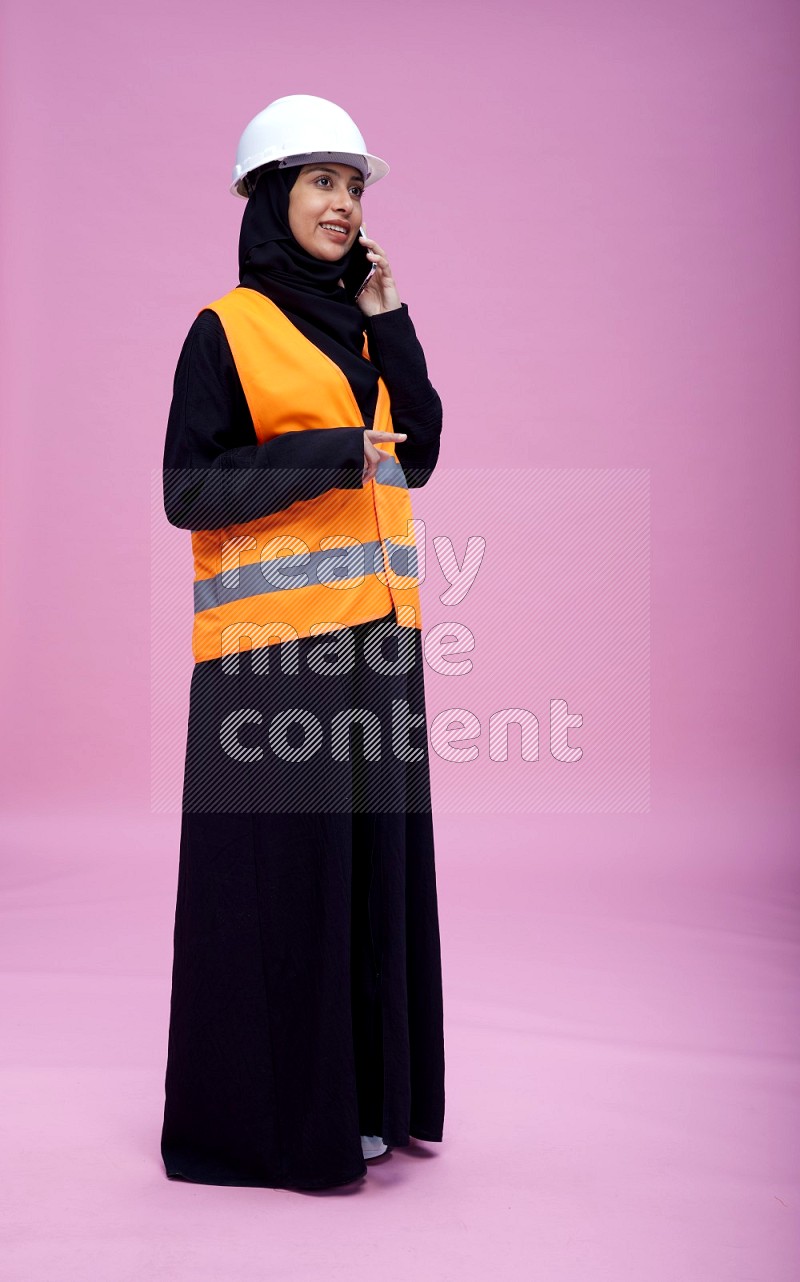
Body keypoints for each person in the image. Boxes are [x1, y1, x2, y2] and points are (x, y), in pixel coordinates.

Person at [159, 94, 445, 1191]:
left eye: (355, 184)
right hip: (271, 655)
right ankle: (279, 1127)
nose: (343, 202)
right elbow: (190, 488)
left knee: (368, 880)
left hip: (377, 642)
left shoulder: (361, 325)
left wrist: (395, 317)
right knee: (287, 890)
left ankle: (369, 1098)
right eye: (322, 180)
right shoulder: (225, 328)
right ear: (271, 197)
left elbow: (414, 456)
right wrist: (329, 450)